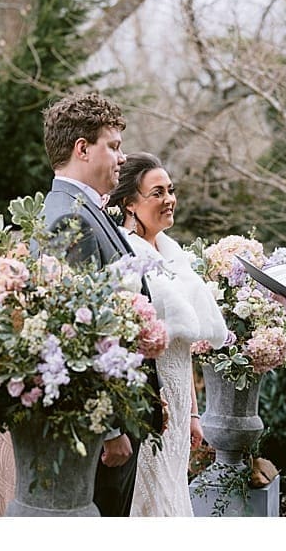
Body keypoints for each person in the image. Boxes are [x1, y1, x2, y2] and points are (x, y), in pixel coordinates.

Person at [36, 91, 151, 516]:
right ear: (82, 149)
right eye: (114, 146)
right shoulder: (70, 218)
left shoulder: (87, 208)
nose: (122, 158)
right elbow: (80, 335)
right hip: (102, 435)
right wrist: (110, 429)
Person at [113, 153, 225, 516]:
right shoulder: (126, 254)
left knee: (173, 490)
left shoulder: (173, 252)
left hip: (179, 399)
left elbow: (185, 341)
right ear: (130, 202)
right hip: (152, 398)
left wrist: (193, 413)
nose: (169, 199)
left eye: (171, 190)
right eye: (157, 192)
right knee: (151, 498)